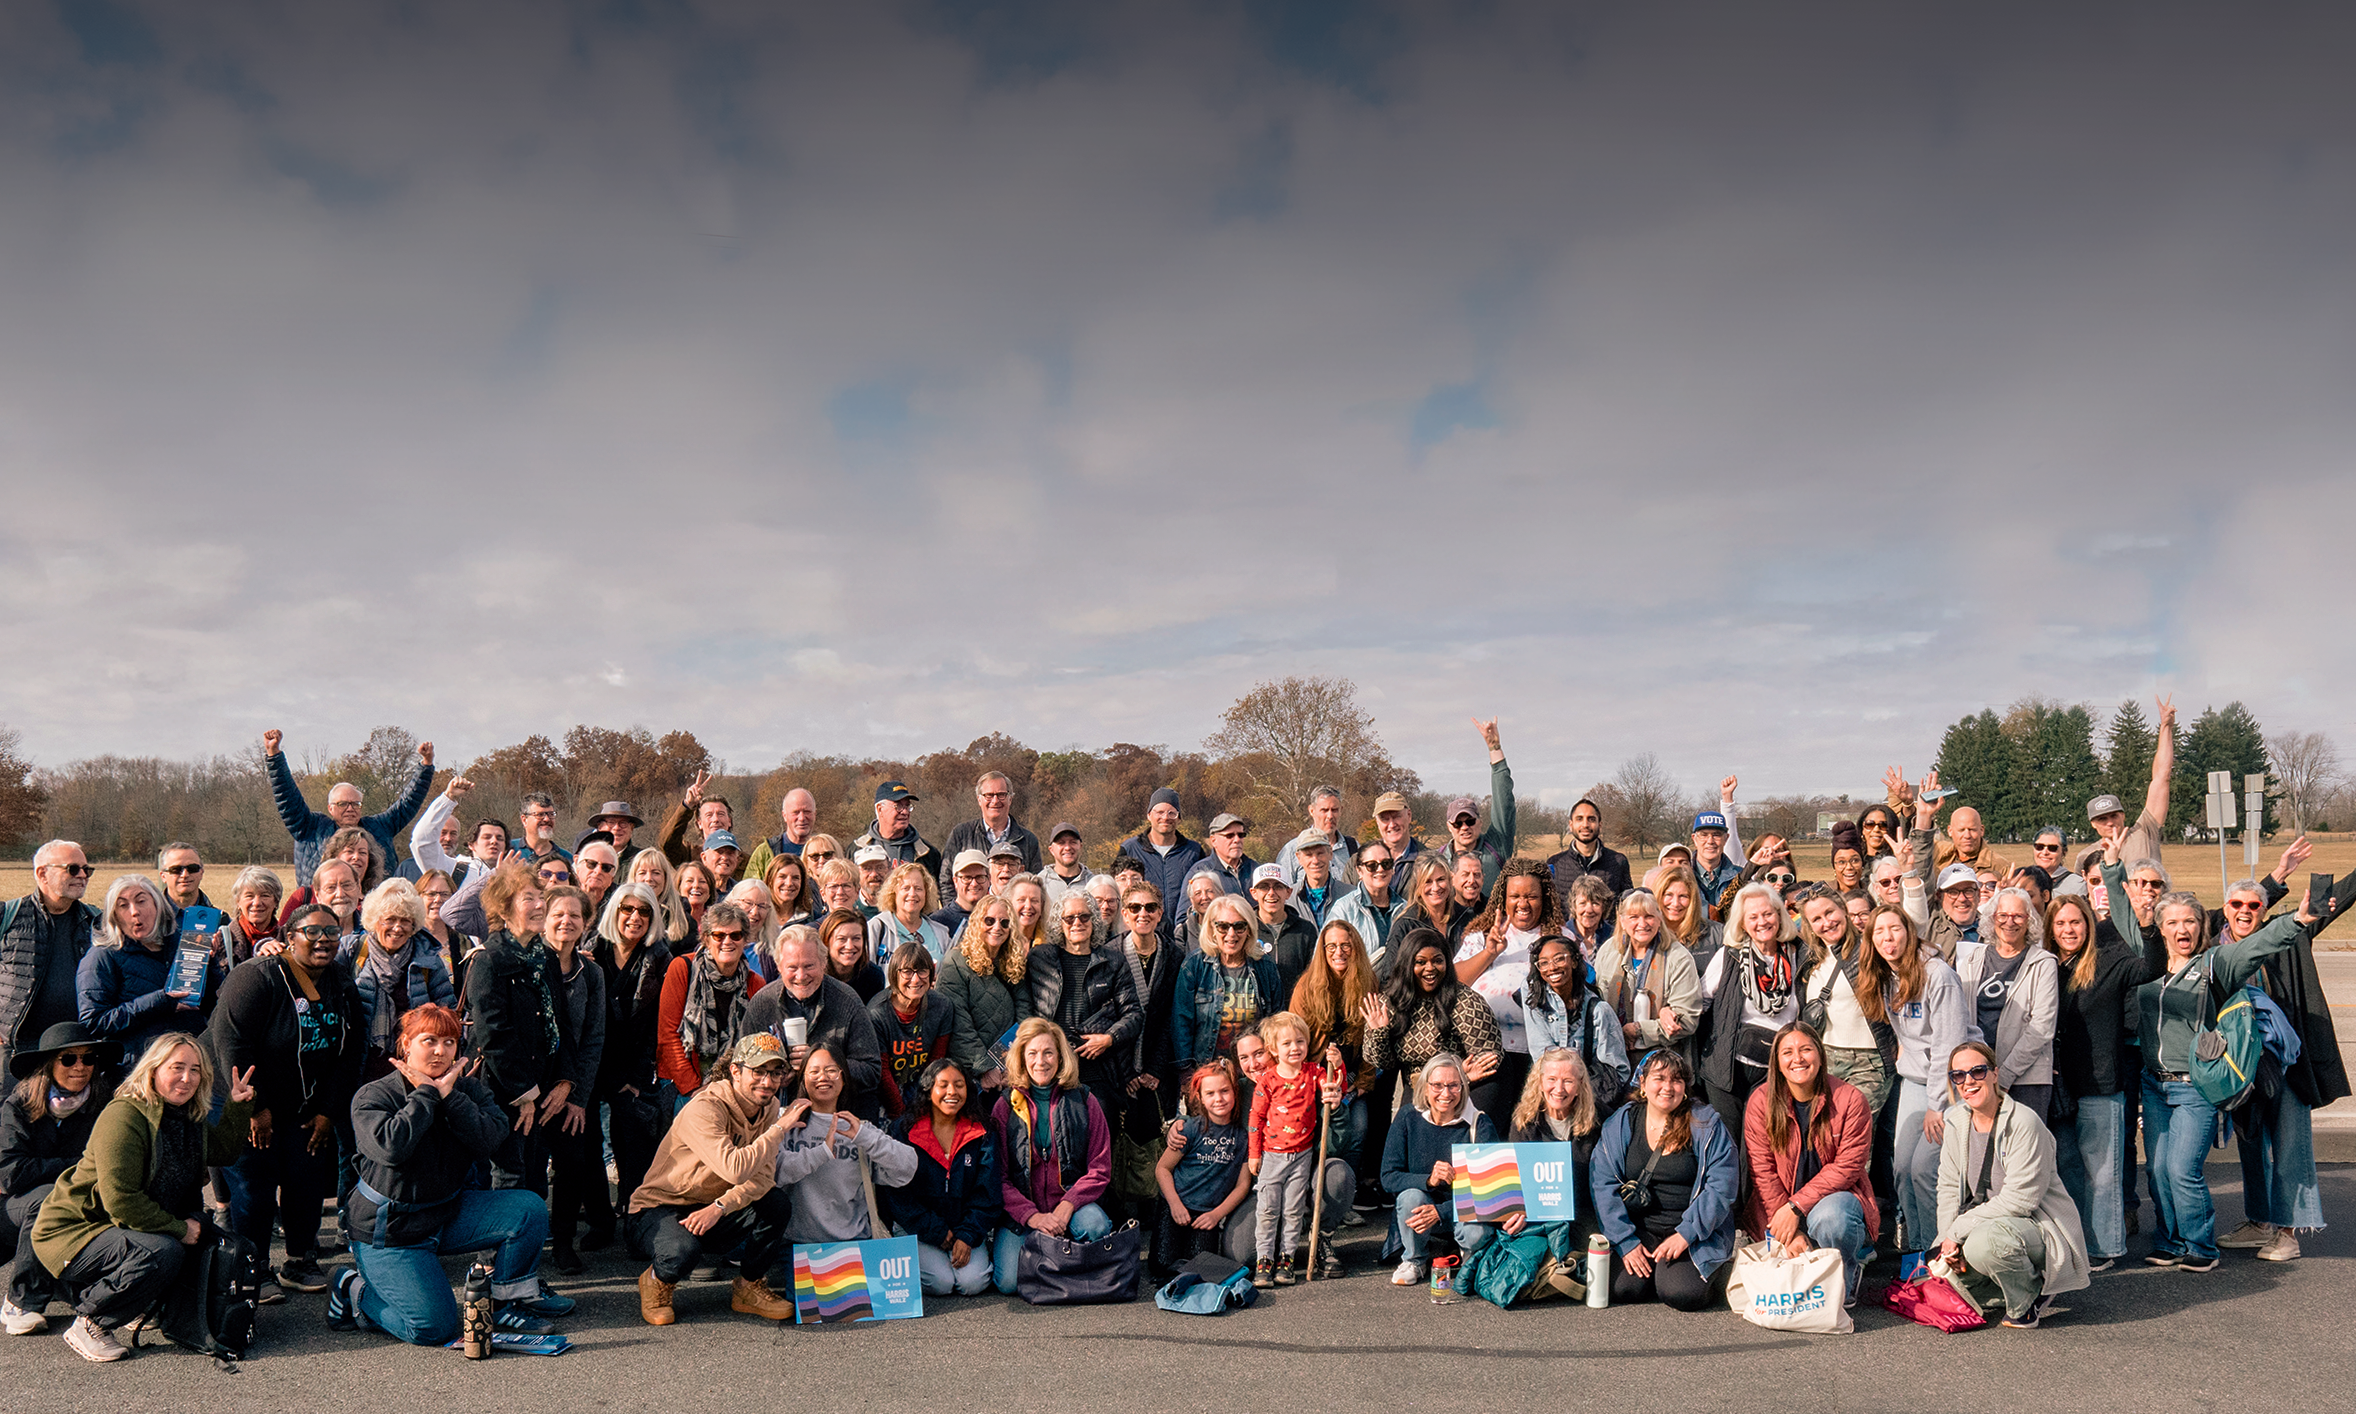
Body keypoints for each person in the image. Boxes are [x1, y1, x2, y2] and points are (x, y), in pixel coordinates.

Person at [334, 1004, 572, 1342]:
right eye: (429, 1040)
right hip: (391, 1232)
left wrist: (450, 1097)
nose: (440, 1051)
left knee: (528, 1209)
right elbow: (391, 1149)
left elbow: (491, 1140)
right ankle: (352, 1289)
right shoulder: (373, 1095)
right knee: (432, 1328)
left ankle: (505, 1302)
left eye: (449, 1042)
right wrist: (426, 1094)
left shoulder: (467, 1090)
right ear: (406, 1044)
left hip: (445, 1214)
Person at [2131, 884, 2320, 1272]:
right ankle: (2170, 1240)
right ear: (2160, 928)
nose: (2181, 929)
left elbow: (2258, 946)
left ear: (2201, 926)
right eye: (2172, 922)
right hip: (2154, 1084)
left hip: (2195, 1086)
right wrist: (2113, 867)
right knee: (2158, 1170)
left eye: (2189, 921)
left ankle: (2201, 1246)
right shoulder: (2147, 968)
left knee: (2182, 1170)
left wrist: (2298, 920)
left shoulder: (2213, 965)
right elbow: (2123, 917)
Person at [29, 1034, 252, 1363]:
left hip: (120, 1227)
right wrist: (179, 1229)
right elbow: (121, 1200)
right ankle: (90, 1322)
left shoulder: (187, 1117)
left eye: (195, 1070)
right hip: (73, 1231)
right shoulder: (125, 1116)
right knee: (163, 1250)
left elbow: (224, 1152)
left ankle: (141, 1304)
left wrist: (237, 1105)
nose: (187, 1078)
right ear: (153, 1069)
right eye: (177, 1067)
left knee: (206, 1239)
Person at [209, 901, 364, 1302]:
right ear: (290, 937)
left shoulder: (340, 981)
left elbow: (351, 1051)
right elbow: (231, 1044)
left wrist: (328, 1110)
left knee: (305, 1180)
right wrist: (254, 1108)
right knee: (254, 1188)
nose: (323, 940)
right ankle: (254, 1268)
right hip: (241, 1099)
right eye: (312, 932)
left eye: (332, 932)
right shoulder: (257, 977)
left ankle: (298, 1261)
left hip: (304, 1104)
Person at [626, 1032, 800, 1325]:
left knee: (776, 1203)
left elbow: (763, 1177)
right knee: (681, 1252)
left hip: (712, 1206)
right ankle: (656, 1280)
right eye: (758, 1072)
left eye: (775, 1073)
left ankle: (749, 1286)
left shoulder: (768, 1106)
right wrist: (779, 1130)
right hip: (660, 1206)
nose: (767, 1082)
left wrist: (721, 1206)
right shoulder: (705, 1107)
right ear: (736, 1071)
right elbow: (734, 1169)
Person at [1932, 1039, 2090, 1328]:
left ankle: (2030, 1294)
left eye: (1977, 1071)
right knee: (1941, 1273)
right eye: (1958, 1075)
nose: (1968, 1081)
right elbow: (1948, 1187)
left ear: (1995, 1074)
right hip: (1982, 1221)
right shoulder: (1955, 1122)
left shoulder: (2024, 1122)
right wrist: (1947, 1243)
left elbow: (2021, 1201)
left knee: (1984, 1245)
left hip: (2034, 1224)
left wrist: (1958, 1230)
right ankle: (2005, 1285)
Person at [1859, 903, 1973, 1257]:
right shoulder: (1884, 976)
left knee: (1925, 1169)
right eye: (1879, 932)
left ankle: (1939, 1250)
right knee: (1902, 1169)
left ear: (1909, 933)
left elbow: (1949, 1045)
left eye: (1894, 929)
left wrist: (1937, 1105)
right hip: (1915, 1080)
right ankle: (1917, 1251)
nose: (1888, 938)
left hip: (1951, 1085)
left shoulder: (1938, 974)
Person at [1589, 1049, 1740, 1311]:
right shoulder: (1621, 1123)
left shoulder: (1706, 1125)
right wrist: (1625, 1241)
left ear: (1685, 1087)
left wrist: (1686, 1234)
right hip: (1639, 1228)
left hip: (1692, 1231)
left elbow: (1721, 1187)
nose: (1668, 1087)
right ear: (1643, 1083)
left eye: (1676, 1080)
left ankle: (1694, 1272)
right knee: (1621, 1288)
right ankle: (1656, 1271)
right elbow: (1602, 1184)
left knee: (1681, 1294)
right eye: (1659, 1078)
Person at [462, 864, 576, 1196]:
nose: (540, 904)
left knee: (536, 1175)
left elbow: (561, 1022)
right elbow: (494, 1036)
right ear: (504, 909)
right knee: (510, 1177)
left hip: (544, 1088)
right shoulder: (488, 961)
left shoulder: (546, 958)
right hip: (502, 1091)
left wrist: (565, 1080)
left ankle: (533, 1230)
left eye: (541, 896)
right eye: (529, 898)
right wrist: (524, 1095)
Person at [1744, 1022, 1879, 1302]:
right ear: (1777, 1062)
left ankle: (1845, 1276)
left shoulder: (1850, 1099)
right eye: (1787, 1052)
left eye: (1805, 1049)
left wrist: (1796, 1207)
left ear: (1820, 1054)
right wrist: (1788, 1231)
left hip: (1831, 1204)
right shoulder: (1761, 1101)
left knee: (1830, 1219)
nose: (1798, 1058)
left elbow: (1849, 1166)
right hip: (1780, 1209)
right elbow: (1763, 1171)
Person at [0, 1023, 118, 1335]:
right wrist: (77, 1165)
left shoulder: (104, 1104)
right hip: (15, 1207)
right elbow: (11, 1173)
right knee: (48, 1199)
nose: (80, 1067)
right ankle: (20, 1302)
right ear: (48, 1064)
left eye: (88, 1058)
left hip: (80, 1205)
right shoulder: (18, 1105)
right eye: (68, 1059)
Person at [2042, 890, 2136, 1271]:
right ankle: (2076, 1242)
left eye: (2076, 922)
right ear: (2050, 928)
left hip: (2100, 1083)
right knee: (2068, 1169)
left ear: (2089, 925)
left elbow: (2151, 967)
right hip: (2060, 1087)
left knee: (2102, 1173)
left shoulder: (2108, 963)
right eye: (2061, 923)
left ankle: (2105, 1247)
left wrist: (2143, 921)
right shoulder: (2046, 966)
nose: (2068, 929)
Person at [991, 1018, 1115, 1294]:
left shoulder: (1084, 1099)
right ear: (1021, 1058)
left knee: (1095, 1226)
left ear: (1060, 1057)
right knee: (1009, 1283)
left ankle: (1060, 1254)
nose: (1041, 1061)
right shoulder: (1005, 1105)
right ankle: (1062, 1262)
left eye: (1048, 1053)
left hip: (1072, 1207)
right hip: (1023, 1212)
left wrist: (1068, 1205)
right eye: (1032, 1053)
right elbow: (998, 1177)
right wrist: (1032, 1216)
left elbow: (1100, 1168)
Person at [1452, 858, 1560, 1135]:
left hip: (1538, 1058)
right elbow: (1452, 983)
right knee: (1487, 1132)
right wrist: (1490, 953)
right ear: (1503, 897)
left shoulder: (1560, 939)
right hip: (1487, 1056)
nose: (1523, 903)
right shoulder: (1482, 935)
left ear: (1544, 898)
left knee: (1528, 1134)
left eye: (1531, 896)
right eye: (1515, 896)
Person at [774, 1044, 919, 1245]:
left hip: (852, 1245)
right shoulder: (786, 1123)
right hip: (795, 1247)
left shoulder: (858, 1128)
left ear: (843, 1079)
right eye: (814, 1072)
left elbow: (906, 1168)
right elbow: (773, 1174)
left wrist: (864, 1137)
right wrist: (820, 1152)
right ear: (803, 1080)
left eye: (831, 1070)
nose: (823, 1077)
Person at [885, 1058, 1002, 1296]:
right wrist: (935, 1231)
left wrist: (967, 1235)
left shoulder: (981, 1131)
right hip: (917, 1228)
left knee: (973, 1283)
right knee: (940, 1282)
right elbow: (897, 1194)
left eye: (959, 1085)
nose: (952, 1092)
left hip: (964, 1227)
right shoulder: (903, 1131)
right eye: (943, 1085)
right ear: (928, 1090)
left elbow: (988, 1192)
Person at [592, 882, 669, 1247]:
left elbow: (660, 1024)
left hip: (634, 1068)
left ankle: (635, 1224)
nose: (635, 917)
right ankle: (599, 1222)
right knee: (588, 1146)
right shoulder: (593, 953)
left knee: (634, 1148)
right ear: (615, 911)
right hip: (594, 1063)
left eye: (644, 911)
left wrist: (637, 1077)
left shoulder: (661, 959)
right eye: (627, 909)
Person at [262, 728, 434, 890]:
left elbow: (408, 803)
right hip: (322, 906)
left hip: (372, 906)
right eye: (343, 804)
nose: (350, 808)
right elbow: (287, 797)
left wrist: (425, 766)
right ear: (330, 808)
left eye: (355, 804)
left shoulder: (380, 828)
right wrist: (274, 756)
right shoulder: (310, 828)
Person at [1381, 1052, 1499, 1285]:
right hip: (1421, 1209)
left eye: (1453, 1085)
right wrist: (1429, 1180)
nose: (1445, 1094)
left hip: (1462, 1211)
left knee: (1476, 1232)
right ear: (1425, 1088)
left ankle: (1470, 1258)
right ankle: (1414, 1259)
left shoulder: (1480, 1124)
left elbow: (1490, 1192)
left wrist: (1441, 1212)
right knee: (1410, 1197)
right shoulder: (1408, 1117)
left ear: (1463, 1088)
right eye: (1437, 1085)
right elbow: (1388, 1177)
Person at [741, 927, 885, 1118]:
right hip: (779, 1117)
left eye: (809, 966)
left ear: (824, 963)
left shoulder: (847, 1001)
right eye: (792, 967)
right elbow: (743, 1068)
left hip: (839, 1116)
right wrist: (773, 1075)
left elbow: (871, 1071)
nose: (801, 976)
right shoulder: (763, 1003)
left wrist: (819, 1064)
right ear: (779, 966)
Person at [1364, 927, 1503, 1122]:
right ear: (1407, 964)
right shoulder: (1389, 1003)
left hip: (1468, 1085)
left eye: (1437, 961)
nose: (1430, 968)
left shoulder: (1467, 1002)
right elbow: (1383, 1063)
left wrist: (1457, 1078)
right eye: (1421, 962)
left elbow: (1489, 1057)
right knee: (1405, 1128)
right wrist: (1378, 1033)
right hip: (1420, 1086)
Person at [76, 874, 218, 1065]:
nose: (134, 911)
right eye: (123, 905)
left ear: (158, 905)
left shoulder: (185, 944)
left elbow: (216, 1005)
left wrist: (210, 965)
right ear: (114, 916)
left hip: (190, 1064)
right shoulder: (102, 957)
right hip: (137, 1069)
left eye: (141, 901)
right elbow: (94, 1023)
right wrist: (160, 1002)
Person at [1242, 1013, 1341, 1286]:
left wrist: (1337, 1065)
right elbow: (1255, 1119)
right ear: (1274, 1049)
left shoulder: (1313, 1072)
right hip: (1272, 1155)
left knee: (1293, 1210)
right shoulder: (1267, 1080)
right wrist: (1254, 1154)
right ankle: (1265, 1260)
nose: (1294, 1048)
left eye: (1300, 1041)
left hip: (1302, 1155)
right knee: (1268, 1210)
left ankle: (1287, 1259)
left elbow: (1334, 1086)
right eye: (1286, 1043)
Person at [538, 886, 606, 1273]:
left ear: (585, 923)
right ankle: (527, 1244)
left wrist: (578, 1095)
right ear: (543, 919)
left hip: (574, 1087)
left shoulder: (591, 973)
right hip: (531, 1086)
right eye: (558, 914)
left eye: (575, 915)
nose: (566, 921)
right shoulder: (530, 964)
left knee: (572, 1164)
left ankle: (563, 1242)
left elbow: (594, 1037)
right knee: (529, 1169)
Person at [1955, 887, 2060, 1124]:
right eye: (2002, 915)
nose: (2009, 922)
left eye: (2018, 916)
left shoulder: (2043, 963)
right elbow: (1962, 1015)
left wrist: (2004, 1075)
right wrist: (1980, 1072)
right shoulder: (1973, 960)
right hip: (1978, 1076)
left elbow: (2042, 1027)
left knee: (2024, 1143)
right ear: (1992, 918)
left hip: (2026, 1079)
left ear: (2029, 920)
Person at [2, 841, 104, 1082]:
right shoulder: (8, 916)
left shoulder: (96, 921)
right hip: (18, 1050)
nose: (82, 876)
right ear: (42, 874)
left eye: (86, 870)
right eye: (72, 869)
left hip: (76, 1050)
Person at [1794, 889, 1896, 1119]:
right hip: (1825, 1059)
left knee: (1854, 1128)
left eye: (1830, 912)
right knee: (1827, 1130)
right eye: (1816, 919)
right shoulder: (1810, 960)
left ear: (1843, 910)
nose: (1826, 922)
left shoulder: (1870, 949)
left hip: (1868, 1061)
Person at [1031, 894, 1142, 1102]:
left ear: (1094, 921)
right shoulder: (1041, 959)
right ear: (1059, 923)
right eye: (1069, 918)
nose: (1077, 923)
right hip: (1052, 1068)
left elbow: (1133, 1014)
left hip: (1099, 1069)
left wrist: (1109, 1038)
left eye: (1084, 916)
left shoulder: (1113, 962)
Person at [1152, 1057, 1251, 1277]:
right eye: (1210, 1093)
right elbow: (1162, 1169)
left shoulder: (1242, 1137)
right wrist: (1175, 1205)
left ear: (1235, 1092)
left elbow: (1242, 1185)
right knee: (1161, 1264)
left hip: (1207, 1212)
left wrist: (1216, 1215)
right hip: (1176, 1203)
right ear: (1201, 1098)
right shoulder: (1190, 1129)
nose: (1219, 1099)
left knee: (1200, 1265)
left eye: (1224, 1091)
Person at [657, 903, 767, 1098]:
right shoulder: (683, 968)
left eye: (735, 935)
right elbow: (669, 1035)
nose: (727, 941)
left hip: (733, 1085)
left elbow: (756, 1043)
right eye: (718, 935)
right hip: (682, 1083)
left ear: (745, 940)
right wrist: (694, 1089)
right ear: (706, 939)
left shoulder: (755, 983)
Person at [347, 878, 455, 1074]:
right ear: (374, 920)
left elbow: (448, 1013)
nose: (397, 928)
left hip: (413, 1068)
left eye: (405, 920)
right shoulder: (352, 951)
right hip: (361, 1066)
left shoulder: (428, 959)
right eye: (390, 919)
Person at [1172, 893, 1286, 1077]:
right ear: (1212, 929)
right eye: (1223, 926)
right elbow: (1181, 1022)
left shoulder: (1264, 966)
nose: (1231, 934)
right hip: (1208, 1070)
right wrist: (1186, 1072)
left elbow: (1276, 1019)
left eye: (1239, 926)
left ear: (1249, 930)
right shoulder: (1195, 965)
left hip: (1255, 1071)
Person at [1522, 934, 1632, 1106]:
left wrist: (1580, 1093)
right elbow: (1540, 1054)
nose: (1552, 968)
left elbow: (1618, 1070)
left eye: (1559, 959)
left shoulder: (1599, 1010)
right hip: (1550, 1093)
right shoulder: (1534, 997)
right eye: (1544, 963)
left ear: (1574, 961)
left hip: (1588, 1098)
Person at [1595, 891, 1702, 1068]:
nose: (1642, 924)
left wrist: (1639, 1030)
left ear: (1659, 919)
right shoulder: (1609, 950)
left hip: (1663, 1061)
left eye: (1649, 916)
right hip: (1611, 1056)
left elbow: (1687, 1019)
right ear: (1622, 921)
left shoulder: (1678, 958)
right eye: (1634, 917)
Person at [938, 893, 1030, 1097]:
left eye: (1004, 923)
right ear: (976, 922)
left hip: (1009, 1071)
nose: (997, 927)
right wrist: (985, 1067)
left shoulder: (1013, 963)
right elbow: (959, 1023)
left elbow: (1025, 1013)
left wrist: (1012, 1062)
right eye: (989, 921)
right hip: (970, 1075)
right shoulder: (956, 961)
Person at [870, 942, 954, 1116]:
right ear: (895, 974)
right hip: (882, 1092)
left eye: (922, 971)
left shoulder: (942, 1006)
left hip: (921, 1086)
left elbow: (935, 1061)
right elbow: (882, 1072)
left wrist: (921, 1106)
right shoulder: (877, 1013)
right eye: (907, 972)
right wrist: (901, 1115)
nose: (915, 979)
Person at [1118, 788, 1205, 944]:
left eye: (1172, 813)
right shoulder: (1129, 849)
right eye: (1159, 812)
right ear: (1149, 815)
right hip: (1144, 935)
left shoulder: (1194, 851)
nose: (1165, 818)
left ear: (1179, 818)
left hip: (1187, 936)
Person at [937, 772, 1042, 896]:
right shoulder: (961, 835)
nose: (995, 800)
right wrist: (957, 909)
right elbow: (945, 881)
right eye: (989, 795)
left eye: (1001, 795)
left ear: (1010, 799)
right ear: (979, 799)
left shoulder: (1028, 840)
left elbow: (1035, 885)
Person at [405, 775, 508, 891]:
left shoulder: (513, 879)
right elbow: (422, 839)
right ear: (471, 844)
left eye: (500, 838)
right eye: (487, 837)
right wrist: (448, 797)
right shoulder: (452, 868)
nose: (494, 841)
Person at [1329, 841, 1409, 975]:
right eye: (1371, 865)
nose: (1380, 869)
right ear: (1359, 871)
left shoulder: (1405, 910)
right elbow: (1325, 956)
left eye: (1386, 863)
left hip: (1399, 986)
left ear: (1393, 868)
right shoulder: (1344, 909)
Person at [1545, 798, 1632, 918]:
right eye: (1579, 819)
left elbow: (1628, 906)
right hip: (1566, 930)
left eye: (1591, 819)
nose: (1585, 825)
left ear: (1600, 825)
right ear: (1571, 825)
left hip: (1607, 930)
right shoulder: (1554, 863)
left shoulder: (1618, 862)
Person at [1179, 813, 1256, 935]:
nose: (1237, 840)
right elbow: (1183, 919)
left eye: (1241, 835)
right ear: (1213, 841)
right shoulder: (1199, 872)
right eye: (1229, 836)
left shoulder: (1255, 870)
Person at [868, 862, 952, 967]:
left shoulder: (940, 933)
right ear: (893, 893)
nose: (912, 894)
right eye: (906, 888)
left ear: (926, 893)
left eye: (918, 888)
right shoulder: (876, 928)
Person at [1251, 865, 1318, 997]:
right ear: (1254, 893)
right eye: (1264, 887)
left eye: (1278, 887)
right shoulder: (1245, 930)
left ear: (1288, 892)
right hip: (1256, 1007)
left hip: (1295, 1006)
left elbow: (1314, 977)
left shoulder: (1305, 930)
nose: (1271, 893)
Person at [856, 781, 943, 881]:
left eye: (907, 806)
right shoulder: (858, 848)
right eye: (898, 806)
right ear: (880, 809)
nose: (905, 812)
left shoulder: (927, 853)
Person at [1275, 785, 1360, 888]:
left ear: (1341, 810)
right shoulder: (1291, 850)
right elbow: (1281, 891)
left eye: (1334, 810)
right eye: (1324, 810)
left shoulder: (1353, 848)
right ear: (1311, 811)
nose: (1330, 816)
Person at [656, 770, 734, 871]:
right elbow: (667, 843)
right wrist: (687, 805)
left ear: (729, 821)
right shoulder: (688, 856)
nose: (715, 819)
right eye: (709, 815)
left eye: (721, 814)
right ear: (699, 823)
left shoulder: (744, 861)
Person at [740, 787, 818, 885]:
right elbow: (748, 890)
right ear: (784, 815)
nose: (802, 818)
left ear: (815, 814)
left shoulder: (827, 852)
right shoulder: (765, 853)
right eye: (796, 812)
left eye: (807, 812)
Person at [1395, 856, 1471, 955]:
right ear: (1417, 887)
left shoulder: (1467, 917)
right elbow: (1392, 964)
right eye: (1428, 881)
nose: (1435, 888)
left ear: (1450, 881)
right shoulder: (1405, 925)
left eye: (1440, 879)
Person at [219, 866, 284, 969]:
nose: (257, 903)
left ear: (276, 901)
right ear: (238, 902)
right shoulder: (223, 939)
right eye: (249, 896)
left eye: (265, 895)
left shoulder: (288, 939)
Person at [825, 907, 887, 1002]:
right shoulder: (815, 975)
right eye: (841, 939)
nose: (849, 946)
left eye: (856, 938)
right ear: (826, 941)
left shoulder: (873, 976)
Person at [935, 849, 990, 936]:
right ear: (955, 881)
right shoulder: (938, 923)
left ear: (989, 879)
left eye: (980, 877)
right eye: (967, 878)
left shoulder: (999, 920)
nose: (974, 884)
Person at [153, 843, 209, 914]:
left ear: (201, 873)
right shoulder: (149, 916)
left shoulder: (217, 918)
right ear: (163, 876)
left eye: (192, 868)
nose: (185, 875)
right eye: (176, 869)